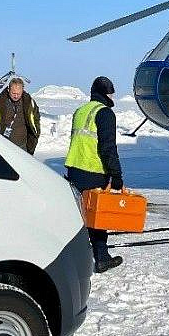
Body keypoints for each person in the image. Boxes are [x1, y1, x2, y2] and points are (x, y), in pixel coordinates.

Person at [65, 76, 125, 273]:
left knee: (78, 215)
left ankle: (73, 256)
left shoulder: (81, 111)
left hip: (74, 167)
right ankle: (101, 257)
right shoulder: (105, 113)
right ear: (105, 93)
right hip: (93, 169)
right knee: (96, 216)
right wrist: (116, 176)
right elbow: (108, 147)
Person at [0, 76, 40, 154]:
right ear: (8, 89)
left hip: (23, 146)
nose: (16, 96)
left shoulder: (29, 103)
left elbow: (36, 120)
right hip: (2, 145)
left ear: (22, 91)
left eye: (18, 94)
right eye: (13, 93)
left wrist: (35, 135)